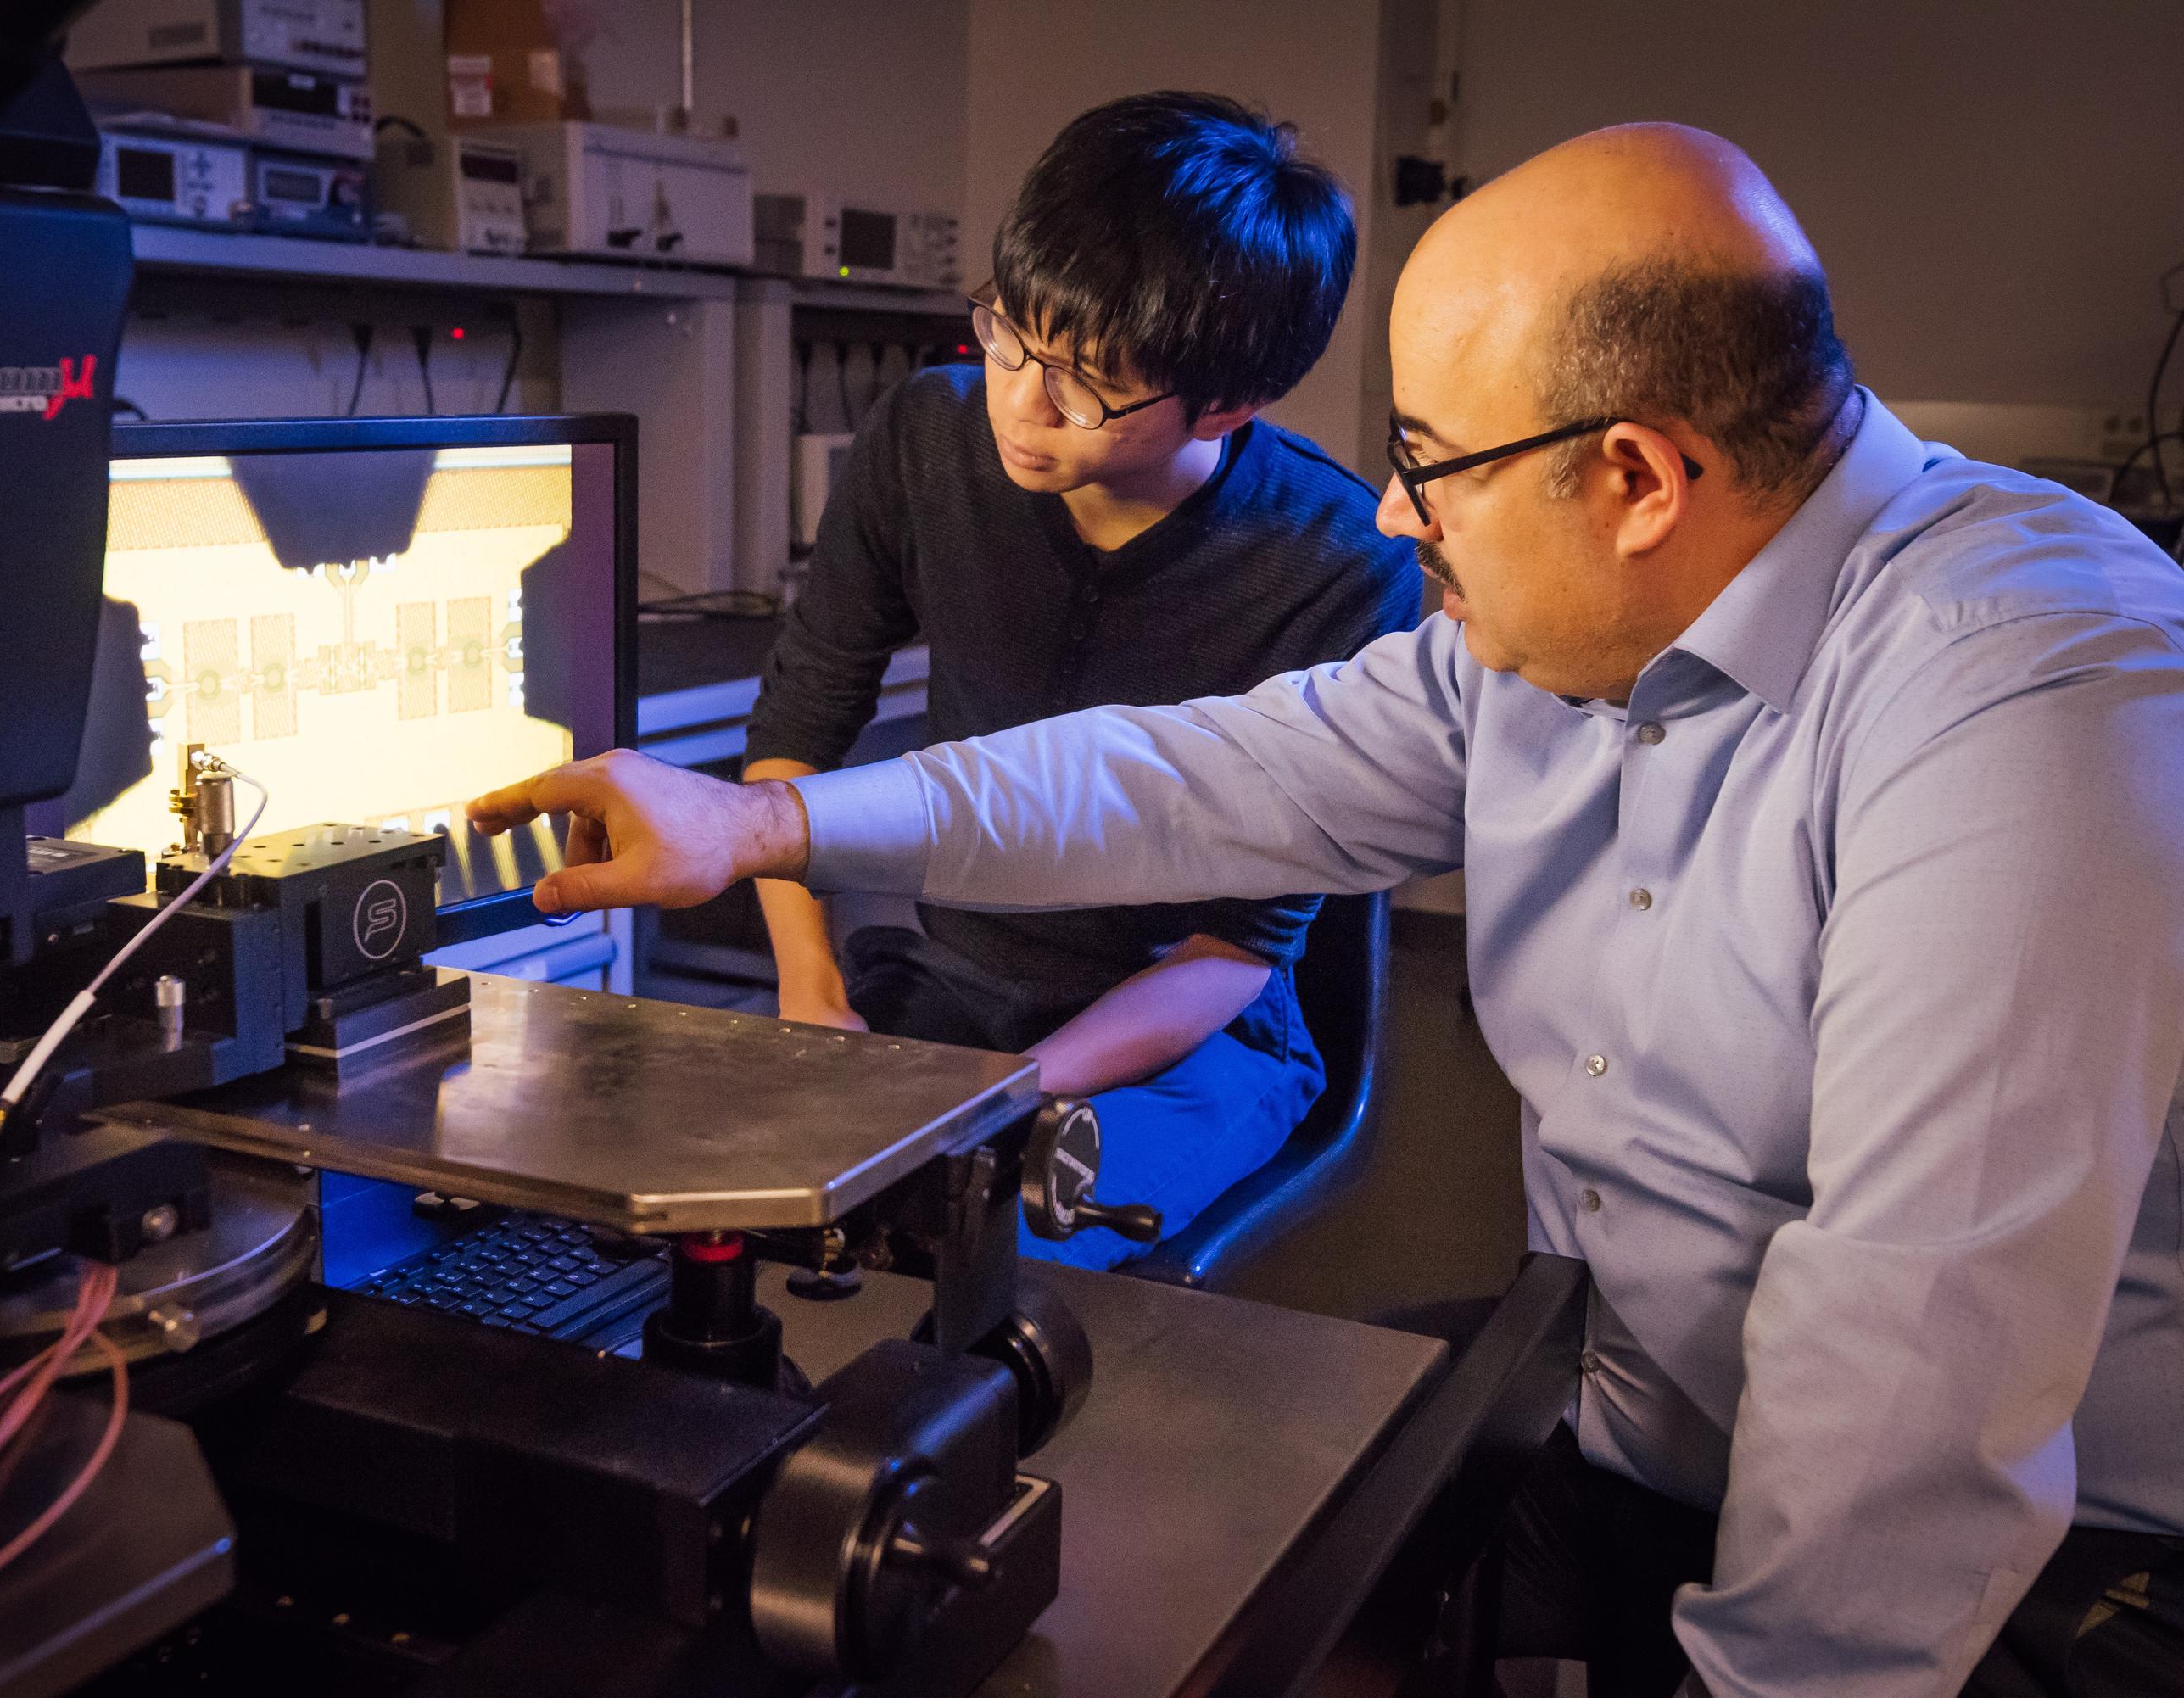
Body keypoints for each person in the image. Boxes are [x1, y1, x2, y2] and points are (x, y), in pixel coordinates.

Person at [472, 123, 2184, 1694]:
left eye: (1432, 462)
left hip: (2021, 1572)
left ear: (1640, 479)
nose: (1390, 511)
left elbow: (1909, 1372)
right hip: (1625, 1410)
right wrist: (760, 819)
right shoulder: (1535, 644)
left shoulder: (2032, 695)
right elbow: (1183, 773)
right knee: (1148, 1543)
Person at [741, 92, 1421, 1270]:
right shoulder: (926, 440)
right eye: (1008, 332)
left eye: (1085, 382)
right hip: (945, 994)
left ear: (1228, 403)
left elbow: (1237, 949)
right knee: (722, 1210)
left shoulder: (1337, 559)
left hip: (1189, 1040)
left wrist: (1002, 1099)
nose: (1018, 401)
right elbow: (798, 727)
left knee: (1002, 1248)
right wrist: (811, 987)